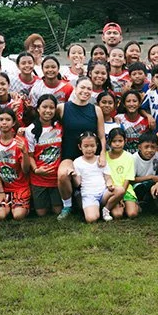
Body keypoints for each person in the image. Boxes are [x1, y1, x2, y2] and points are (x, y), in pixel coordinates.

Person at [57, 77, 106, 220]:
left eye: (89, 89)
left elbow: (102, 136)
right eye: (82, 88)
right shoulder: (62, 108)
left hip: (91, 154)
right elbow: (47, 122)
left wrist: (102, 153)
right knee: (62, 175)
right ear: (75, 88)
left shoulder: (96, 110)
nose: (85, 91)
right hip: (70, 154)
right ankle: (67, 205)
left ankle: (92, 201)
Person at [24, 95, 64, 217]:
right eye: (44, 107)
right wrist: (36, 169)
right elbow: (30, 155)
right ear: (38, 109)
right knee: (41, 213)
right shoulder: (31, 130)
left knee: (57, 210)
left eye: (52, 107)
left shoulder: (60, 126)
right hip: (39, 177)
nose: (48, 110)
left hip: (56, 177)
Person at [0, 109, 31, 220]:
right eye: (1, 119)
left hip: (20, 186)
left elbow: (26, 170)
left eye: (8, 119)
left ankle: (21, 204)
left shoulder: (20, 141)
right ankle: (9, 201)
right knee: (0, 216)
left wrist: (25, 152)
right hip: (5, 187)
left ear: (13, 123)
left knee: (18, 215)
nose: (4, 122)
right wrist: (1, 190)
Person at [72, 132, 117, 223]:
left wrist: (109, 184)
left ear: (96, 146)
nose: (89, 149)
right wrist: (73, 176)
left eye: (92, 146)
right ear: (80, 147)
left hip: (103, 193)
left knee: (119, 190)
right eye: (86, 146)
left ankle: (106, 209)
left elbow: (108, 177)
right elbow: (78, 184)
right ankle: (94, 208)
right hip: (89, 195)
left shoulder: (100, 160)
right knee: (91, 218)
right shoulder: (77, 162)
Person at [103, 128, 139, 219]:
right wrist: (117, 197)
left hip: (125, 189)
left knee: (132, 214)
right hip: (112, 191)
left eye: (120, 141)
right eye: (114, 141)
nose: (117, 144)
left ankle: (136, 205)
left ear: (125, 141)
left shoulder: (129, 157)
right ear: (109, 142)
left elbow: (128, 178)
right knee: (117, 214)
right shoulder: (105, 156)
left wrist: (121, 196)